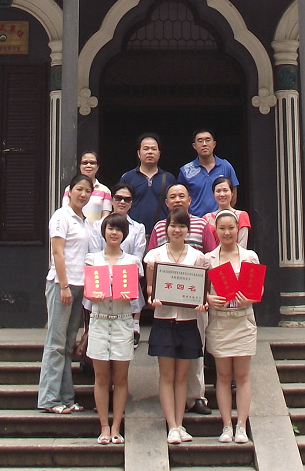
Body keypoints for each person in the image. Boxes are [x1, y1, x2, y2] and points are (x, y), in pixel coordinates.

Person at [148, 183, 217, 415]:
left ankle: (195, 397)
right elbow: (152, 270)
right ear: (167, 202)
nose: (177, 200)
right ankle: (174, 410)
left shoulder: (202, 225)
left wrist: (206, 296)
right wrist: (153, 294)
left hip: (193, 305)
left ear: (190, 200)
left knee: (195, 354)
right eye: (172, 196)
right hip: (166, 309)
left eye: (182, 196)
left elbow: (211, 259)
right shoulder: (159, 228)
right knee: (169, 366)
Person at [144, 209, 209, 444]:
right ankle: (171, 425)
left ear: (188, 230)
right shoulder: (155, 256)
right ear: (166, 228)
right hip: (164, 321)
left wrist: (202, 303)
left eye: (182, 226)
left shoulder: (198, 257)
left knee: (182, 376)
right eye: (173, 225)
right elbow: (150, 289)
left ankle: (180, 424)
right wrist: (152, 298)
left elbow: (203, 291)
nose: (177, 230)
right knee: (167, 375)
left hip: (188, 321)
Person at [38, 174, 93, 414]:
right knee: (56, 343)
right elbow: (57, 253)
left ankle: (67, 398)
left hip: (79, 285)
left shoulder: (84, 220)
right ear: (69, 191)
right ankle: (49, 399)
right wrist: (63, 286)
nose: (83, 194)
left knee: (68, 344)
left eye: (87, 191)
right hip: (62, 284)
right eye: (79, 189)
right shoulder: (61, 216)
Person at [85, 214, 142, 445]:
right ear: (104, 231)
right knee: (101, 377)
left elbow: (134, 293)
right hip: (99, 320)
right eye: (110, 228)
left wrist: (127, 293)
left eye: (119, 229)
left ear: (124, 234)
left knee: (120, 378)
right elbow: (88, 290)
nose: (114, 233)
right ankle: (104, 427)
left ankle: (117, 427)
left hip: (122, 321)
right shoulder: (92, 259)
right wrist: (94, 293)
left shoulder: (132, 261)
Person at [205, 209, 261, 444]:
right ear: (216, 231)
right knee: (223, 375)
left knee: (243, 375)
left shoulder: (249, 257)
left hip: (243, 320)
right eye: (222, 228)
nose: (227, 232)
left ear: (238, 230)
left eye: (231, 228)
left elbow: (258, 290)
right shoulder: (208, 259)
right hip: (220, 321)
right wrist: (209, 299)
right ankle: (226, 425)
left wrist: (250, 298)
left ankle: (241, 426)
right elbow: (202, 290)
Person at [89, 183, 146, 348]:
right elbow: (95, 255)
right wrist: (108, 279)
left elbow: (137, 258)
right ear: (112, 200)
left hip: (127, 282)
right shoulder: (97, 225)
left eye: (127, 199)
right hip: (101, 283)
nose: (122, 202)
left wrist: (121, 281)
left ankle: (134, 327)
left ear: (131, 203)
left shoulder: (138, 228)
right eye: (118, 198)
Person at [120, 133, 175, 235]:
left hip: (162, 233)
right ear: (139, 153)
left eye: (153, 149)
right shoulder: (128, 178)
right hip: (133, 233)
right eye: (146, 149)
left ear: (159, 153)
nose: (150, 152)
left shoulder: (169, 178)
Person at [178, 129, 239, 218]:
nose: (204, 144)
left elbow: (233, 194)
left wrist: (226, 214)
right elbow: (180, 197)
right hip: (196, 221)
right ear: (194, 146)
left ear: (214, 144)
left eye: (207, 140)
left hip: (220, 221)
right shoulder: (186, 171)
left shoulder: (226, 166)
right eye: (200, 141)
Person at [63, 150, 112, 227]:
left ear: (97, 167)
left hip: (96, 232)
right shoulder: (69, 189)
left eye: (92, 163)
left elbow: (106, 216)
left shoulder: (105, 191)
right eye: (85, 163)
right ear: (80, 166)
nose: (88, 165)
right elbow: (66, 211)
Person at [203, 176, 251, 248]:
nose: (222, 194)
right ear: (213, 194)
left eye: (225, 190)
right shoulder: (206, 218)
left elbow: (243, 245)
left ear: (232, 193)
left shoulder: (242, 215)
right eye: (218, 191)